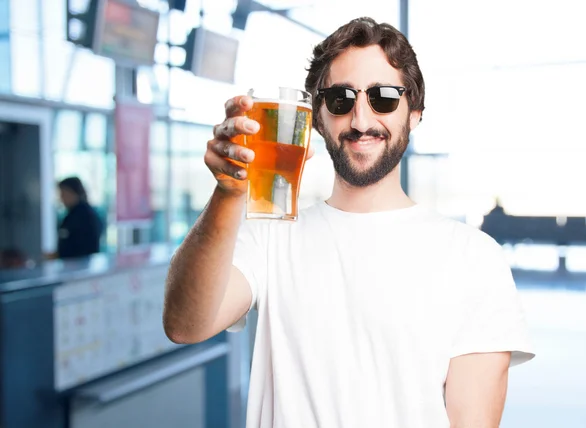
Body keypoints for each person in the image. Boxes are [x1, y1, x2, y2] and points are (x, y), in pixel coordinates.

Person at [163, 17, 535, 428]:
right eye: (341, 98)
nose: (361, 120)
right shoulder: (270, 236)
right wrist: (228, 193)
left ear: (413, 113)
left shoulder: (473, 258)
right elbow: (184, 324)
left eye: (385, 98)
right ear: (318, 116)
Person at [55, 177, 103, 259]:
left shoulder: (84, 217)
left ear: (72, 192)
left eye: (63, 193)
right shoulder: (71, 216)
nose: (61, 198)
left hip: (80, 266)